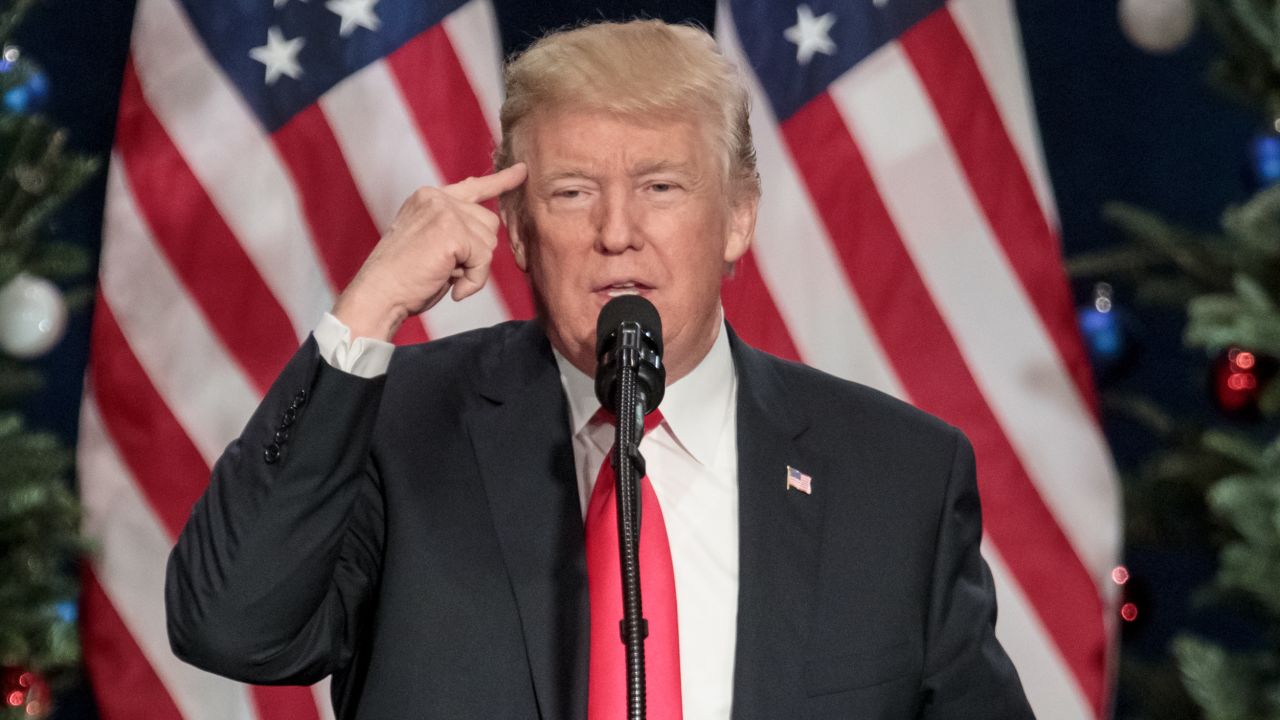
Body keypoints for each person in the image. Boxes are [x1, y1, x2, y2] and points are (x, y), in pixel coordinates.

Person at [166, 19, 1034, 720]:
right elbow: (230, 626)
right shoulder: (400, 428)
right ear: (515, 229)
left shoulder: (895, 477)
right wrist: (368, 305)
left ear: (737, 220)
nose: (617, 230)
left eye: (661, 187)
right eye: (573, 191)